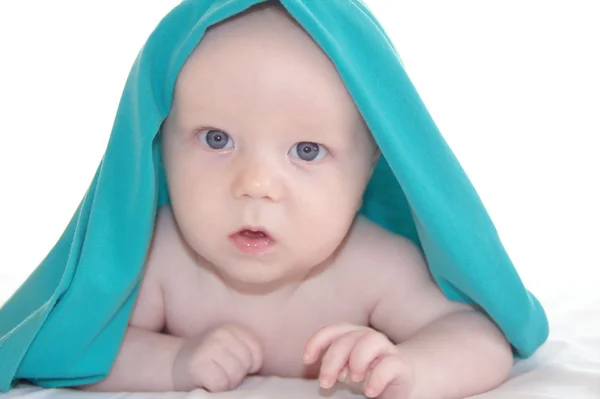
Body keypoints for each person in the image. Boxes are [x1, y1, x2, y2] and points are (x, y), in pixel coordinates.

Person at [79, 4, 514, 398]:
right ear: (160, 146)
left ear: (370, 167)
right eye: (217, 139)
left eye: (307, 150)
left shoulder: (374, 265)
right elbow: (77, 348)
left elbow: (479, 339)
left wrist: (411, 369)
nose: (256, 184)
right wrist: (174, 362)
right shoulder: (161, 256)